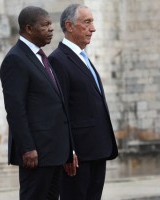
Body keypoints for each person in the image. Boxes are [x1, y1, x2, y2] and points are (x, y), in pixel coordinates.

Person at [0, 6, 75, 200]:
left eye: (51, 24)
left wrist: (68, 149)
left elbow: (56, 105)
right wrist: (27, 148)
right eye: (45, 25)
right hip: (36, 154)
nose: (51, 29)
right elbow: (15, 109)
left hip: (54, 152)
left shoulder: (41, 57)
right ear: (29, 29)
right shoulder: (16, 59)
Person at [48, 4, 118, 200]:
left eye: (93, 22)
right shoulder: (58, 60)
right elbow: (59, 111)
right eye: (87, 22)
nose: (93, 28)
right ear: (69, 26)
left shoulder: (83, 57)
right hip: (78, 156)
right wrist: (68, 151)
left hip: (97, 150)